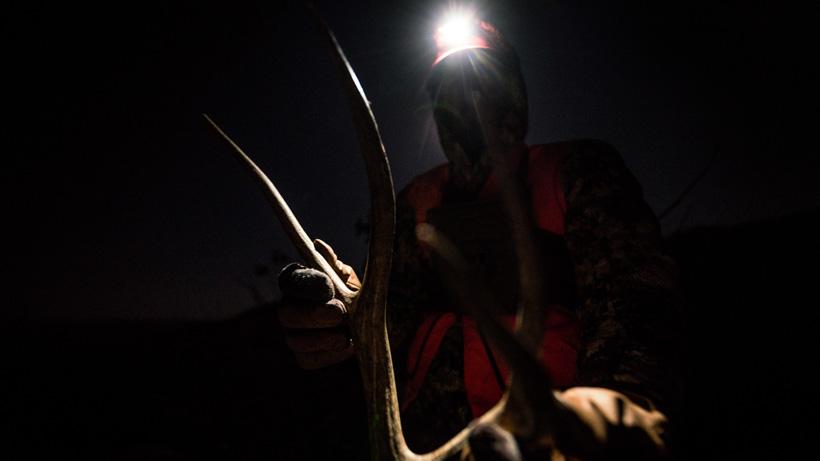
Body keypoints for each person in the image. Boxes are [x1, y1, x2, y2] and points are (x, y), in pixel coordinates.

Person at [276, 17, 680, 460]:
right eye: (447, 87)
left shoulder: (578, 172)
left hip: (543, 440)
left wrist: (590, 423)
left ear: (512, 91)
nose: (464, 99)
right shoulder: (414, 201)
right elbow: (394, 321)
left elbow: (638, 319)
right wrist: (346, 319)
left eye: (480, 79)